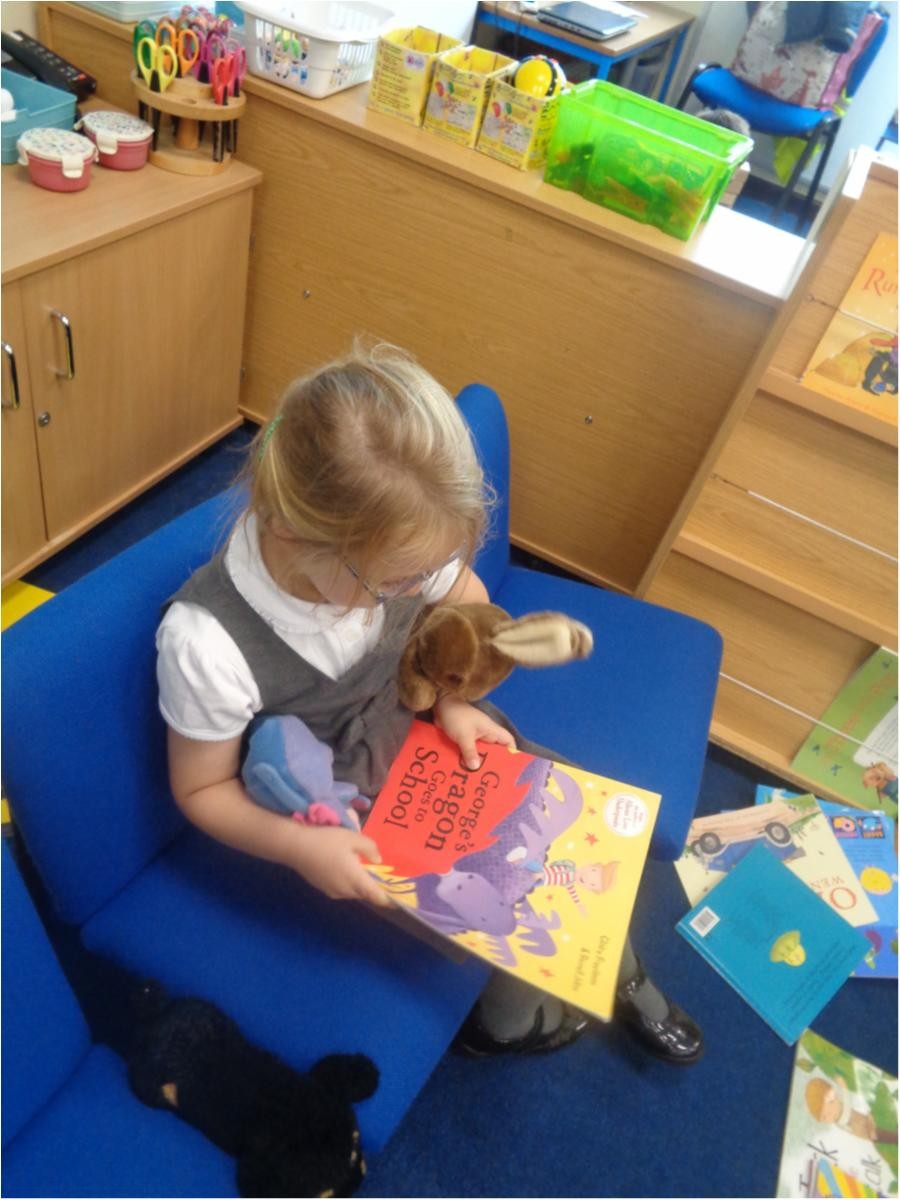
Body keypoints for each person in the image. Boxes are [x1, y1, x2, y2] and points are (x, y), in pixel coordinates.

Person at [156, 343, 703, 1064]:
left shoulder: (399, 540)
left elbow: (463, 596)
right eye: (397, 581)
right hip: (344, 801)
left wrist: (451, 702)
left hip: (426, 727)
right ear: (293, 531)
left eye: (425, 569)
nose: (418, 585)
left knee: (572, 831)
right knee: (500, 912)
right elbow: (200, 788)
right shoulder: (207, 643)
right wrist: (301, 846)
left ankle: (613, 967)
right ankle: (511, 1019)